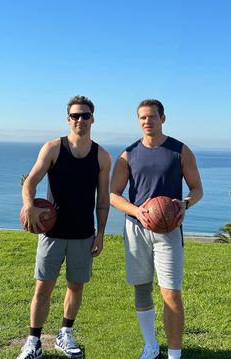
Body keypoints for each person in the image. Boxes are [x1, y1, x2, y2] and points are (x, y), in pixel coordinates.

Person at [17, 95, 111, 359]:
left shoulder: (102, 156)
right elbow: (30, 183)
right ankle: (33, 341)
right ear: (68, 119)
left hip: (83, 233)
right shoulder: (53, 148)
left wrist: (100, 233)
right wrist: (29, 207)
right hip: (52, 232)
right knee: (42, 287)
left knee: (76, 286)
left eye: (85, 115)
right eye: (75, 115)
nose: (80, 120)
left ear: (93, 119)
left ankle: (65, 333)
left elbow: (102, 200)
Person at [110, 99, 203, 359]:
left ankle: (174, 354)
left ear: (163, 118)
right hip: (136, 229)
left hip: (169, 229)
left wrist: (185, 203)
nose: (147, 122)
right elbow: (113, 195)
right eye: (142, 118)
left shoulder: (180, 150)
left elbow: (197, 189)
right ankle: (150, 346)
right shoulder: (128, 154)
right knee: (141, 288)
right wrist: (137, 211)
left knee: (171, 292)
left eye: (152, 117)